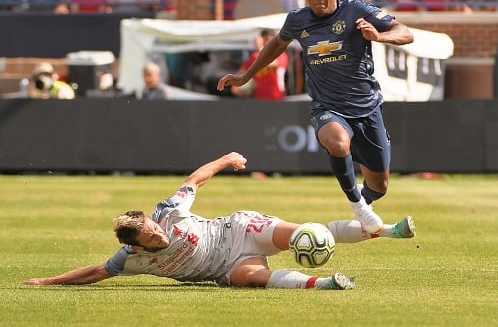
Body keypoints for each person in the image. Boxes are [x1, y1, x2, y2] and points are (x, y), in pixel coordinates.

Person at [217, 0, 415, 234]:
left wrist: (379, 36)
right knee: (338, 142)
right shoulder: (297, 20)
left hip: (367, 107)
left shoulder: (356, 9)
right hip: (327, 107)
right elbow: (276, 44)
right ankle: (357, 204)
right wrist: (246, 76)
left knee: (379, 187)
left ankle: (356, 211)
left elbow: (405, 33)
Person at [22, 152, 416, 289]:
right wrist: (46, 280)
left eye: (155, 226)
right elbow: (94, 273)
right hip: (227, 267)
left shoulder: (168, 211)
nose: (159, 231)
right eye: (151, 234)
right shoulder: (130, 261)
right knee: (251, 280)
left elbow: (194, 180)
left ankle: (386, 230)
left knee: (307, 235)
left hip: (239, 229)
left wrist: (227, 160)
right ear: (137, 245)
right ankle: (325, 284)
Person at [232, 28, 288, 100]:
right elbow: (241, 73)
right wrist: (235, 87)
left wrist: (260, 48)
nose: (267, 43)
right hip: (259, 97)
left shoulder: (281, 54)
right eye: (265, 40)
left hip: (277, 97)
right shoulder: (254, 56)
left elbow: (271, 63)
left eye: (269, 40)